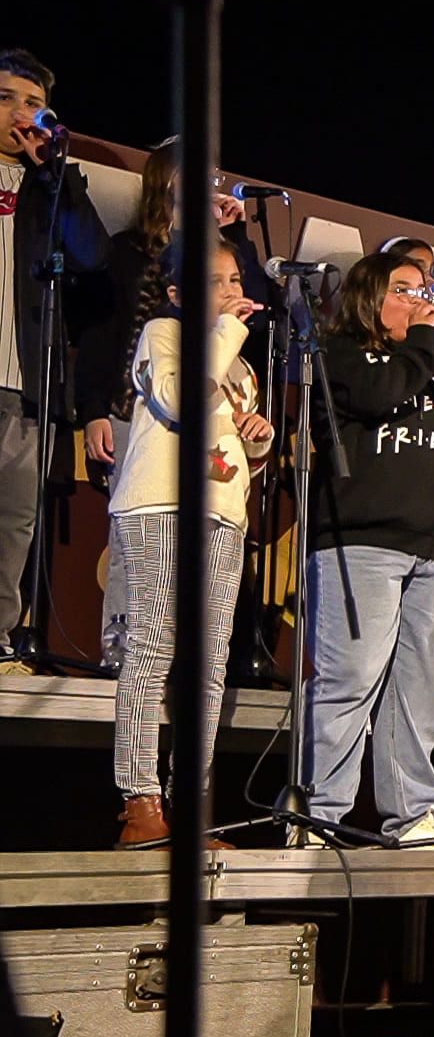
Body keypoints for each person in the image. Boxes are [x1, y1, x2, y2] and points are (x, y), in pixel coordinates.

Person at [303, 251, 434, 847]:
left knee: (419, 689)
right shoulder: (343, 355)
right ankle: (319, 816)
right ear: (368, 300)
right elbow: (381, 395)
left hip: (430, 552)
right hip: (361, 543)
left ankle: (411, 814)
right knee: (350, 680)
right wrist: (423, 343)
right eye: (404, 290)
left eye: (423, 290)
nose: (421, 300)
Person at [77, 136, 265, 666]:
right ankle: (123, 653)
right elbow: (102, 333)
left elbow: (251, 304)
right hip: (135, 407)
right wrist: (94, 409)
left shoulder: (224, 247)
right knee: (137, 544)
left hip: (208, 411)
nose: (211, 184)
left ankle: (186, 666)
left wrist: (229, 234)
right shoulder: (131, 249)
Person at [108, 239, 271, 846]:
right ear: (179, 293)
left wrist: (259, 435)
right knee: (153, 647)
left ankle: (191, 806)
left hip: (223, 514)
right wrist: (227, 330)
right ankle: (139, 802)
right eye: (214, 282)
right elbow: (180, 400)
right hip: (161, 504)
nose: (231, 289)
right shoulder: (164, 333)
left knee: (207, 667)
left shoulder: (240, 365)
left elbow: (237, 440)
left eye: (235, 279)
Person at [0, 48, 109, 672]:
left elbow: (91, 259)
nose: (22, 113)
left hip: (23, 387)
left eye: (35, 104)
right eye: (9, 98)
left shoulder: (50, 184)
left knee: (12, 525)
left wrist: (55, 176)